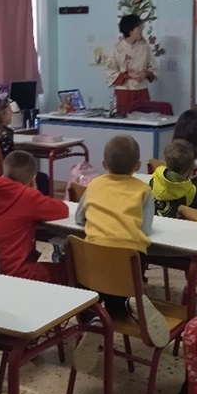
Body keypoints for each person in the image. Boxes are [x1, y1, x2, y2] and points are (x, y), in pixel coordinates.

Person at [73, 134, 170, 370]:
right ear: (138, 165)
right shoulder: (143, 189)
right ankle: (128, 303)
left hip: (93, 258)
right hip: (129, 259)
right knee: (119, 286)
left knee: (87, 290)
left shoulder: (94, 184)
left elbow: (79, 218)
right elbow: (145, 228)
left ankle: (94, 319)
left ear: (104, 164)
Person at [0, 150, 69, 283]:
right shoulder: (27, 197)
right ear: (33, 178)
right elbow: (63, 210)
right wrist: (33, 191)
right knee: (70, 271)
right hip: (17, 272)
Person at [0, 95, 49, 193]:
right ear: (2, 113)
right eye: (10, 109)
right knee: (42, 178)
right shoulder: (4, 136)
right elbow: (12, 164)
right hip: (7, 178)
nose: (12, 113)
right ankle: (39, 202)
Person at [105, 14, 156, 114]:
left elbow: (153, 67)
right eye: (139, 27)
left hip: (141, 90)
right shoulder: (116, 48)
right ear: (130, 30)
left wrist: (145, 74)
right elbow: (109, 71)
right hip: (123, 91)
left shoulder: (145, 47)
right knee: (123, 118)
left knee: (144, 118)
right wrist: (127, 75)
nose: (141, 29)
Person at [149, 139, 197, 218]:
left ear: (166, 162)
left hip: (151, 219)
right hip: (172, 223)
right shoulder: (190, 191)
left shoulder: (155, 176)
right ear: (190, 167)